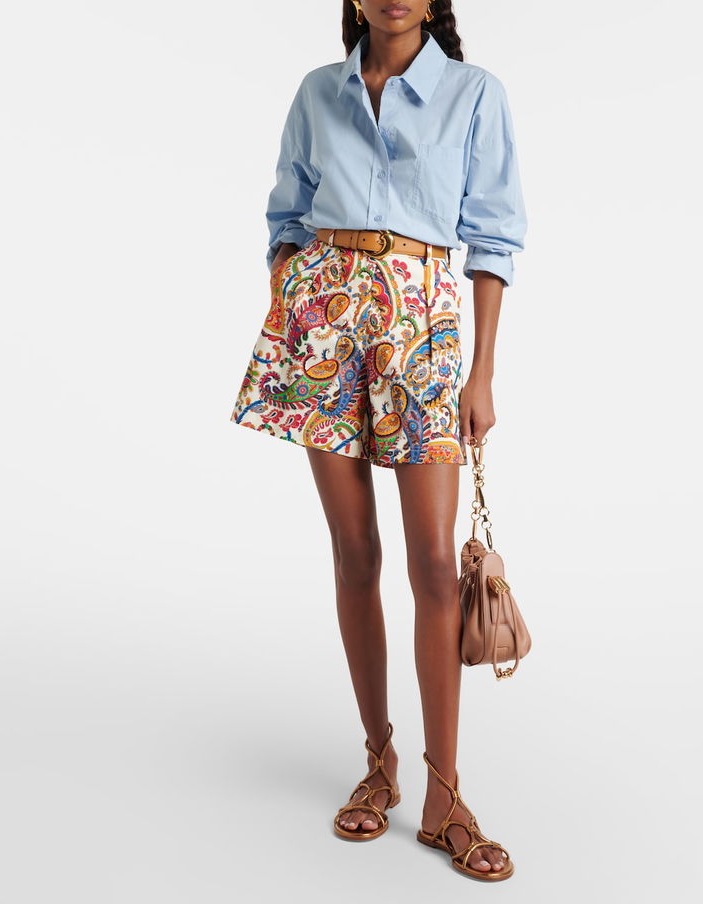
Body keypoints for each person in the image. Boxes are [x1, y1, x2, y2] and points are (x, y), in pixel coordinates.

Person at [229, 0, 527, 881]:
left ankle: (445, 794)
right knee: (354, 550)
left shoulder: (475, 94)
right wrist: (299, 294)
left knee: (433, 563)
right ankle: (379, 761)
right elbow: (286, 214)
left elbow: (494, 238)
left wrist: (481, 374)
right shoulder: (317, 92)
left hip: (422, 327)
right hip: (324, 323)